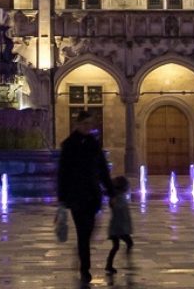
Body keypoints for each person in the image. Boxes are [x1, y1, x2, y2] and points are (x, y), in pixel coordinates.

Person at [57, 110, 113, 284]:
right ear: (78, 124)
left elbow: (103, 170)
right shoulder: (69, 145)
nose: (88, 127)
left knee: (88, 231)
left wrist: (111, 192)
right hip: (76, 196)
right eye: (85, 124)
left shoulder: (94, 144)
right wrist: (62, 199)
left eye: (91, 124)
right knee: (83, 232)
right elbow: (62, 173)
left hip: (93, 195)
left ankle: (82, 257)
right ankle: (85, 268)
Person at [105, 175, 134, 276]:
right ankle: (127, 259)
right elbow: (119, 212)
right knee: (128, 243)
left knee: (116, 246)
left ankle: (109, 264)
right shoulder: (118, 198)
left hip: (117, 228)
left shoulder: (117, 197)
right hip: (118, 229)